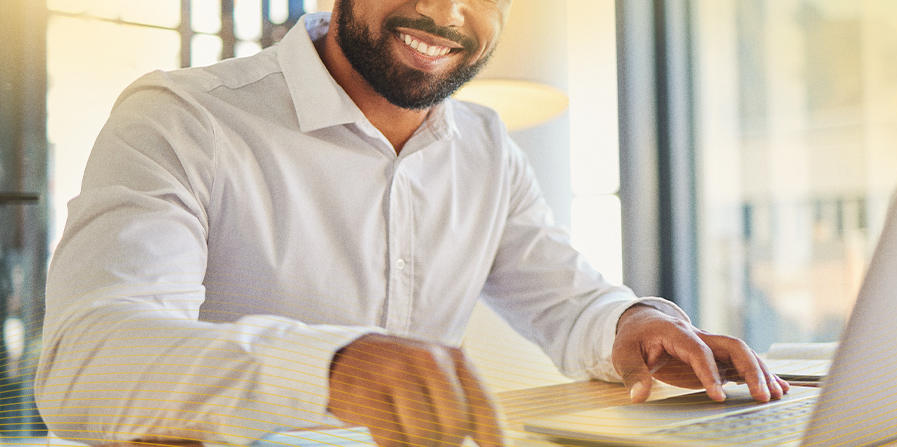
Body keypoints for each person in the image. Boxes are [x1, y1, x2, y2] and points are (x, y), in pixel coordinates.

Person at [36, 0, 789, 446]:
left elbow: (570, 301)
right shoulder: (185, 116)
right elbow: (83, 360)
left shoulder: (486, 145)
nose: (446, 10)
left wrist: (638, 323)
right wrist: (331, 367)